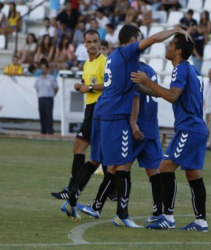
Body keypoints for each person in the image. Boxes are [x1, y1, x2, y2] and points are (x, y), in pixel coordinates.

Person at [60, 25, 190, 227]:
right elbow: (155, 39)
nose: (142, 42)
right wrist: (176, 30)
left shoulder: (114, 56)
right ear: (132, 40)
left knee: (96, 159)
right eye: (139, 38)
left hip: (101, 112)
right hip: (115, 115)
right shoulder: (129, 52)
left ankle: (72, 201)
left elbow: (137, 88)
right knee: (121, 165)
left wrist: (163, 93)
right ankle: (122, 215)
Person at [131, 33, 209, 232]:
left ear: (179, 50)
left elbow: (172, 96)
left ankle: (167, 217)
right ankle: (201, 221)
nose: (167, 46)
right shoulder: (192, 70)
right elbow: (169, 93)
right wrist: (141, 88)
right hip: (197, 128)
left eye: (170, 44)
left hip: (189, 128)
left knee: (164, 166)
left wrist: (148, 82)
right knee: (193, 174)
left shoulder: (180, 68)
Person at [77, 61, 164, 223]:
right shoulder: (150, 70)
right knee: (153, 171)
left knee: (117, 167)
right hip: (151, 127)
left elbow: (134, 98)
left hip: (135, 126)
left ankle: (99, 208)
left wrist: (132, 123)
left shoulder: (132, 71)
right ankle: (158, 213)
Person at [51, 30, 106, 200]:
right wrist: (81, 85)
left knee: (80, 148)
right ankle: (76, 190)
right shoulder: (86, 64)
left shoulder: (104, 62)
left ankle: (72, 189)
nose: (92, 45)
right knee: (97, 154)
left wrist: (88, 88)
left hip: (100, 108)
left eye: (95, 41)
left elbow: (109, 84)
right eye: (89, 42)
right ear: (84, 44)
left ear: (99, 43)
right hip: (90, 109)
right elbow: (87, 83)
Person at [34, 59, 59, 134]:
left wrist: (53, 95)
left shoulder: (51, 78)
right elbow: (37, 89)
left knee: (49, 115)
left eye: (44, 68)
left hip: (49, 98)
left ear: (47, 69)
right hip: (41, 98)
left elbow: (56, 88)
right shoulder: (38, 79)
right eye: (41, 68)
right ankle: (43, 130)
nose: (43, 69)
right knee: (42, 114)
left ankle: (50, 130)